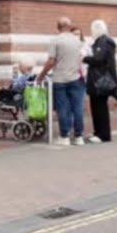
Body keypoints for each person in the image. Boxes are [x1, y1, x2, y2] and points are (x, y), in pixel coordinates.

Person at [38, 17, 87, 145]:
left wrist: (41, 75)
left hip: (59, 79)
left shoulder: (55, 41)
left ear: (58, 27)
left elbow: (51, 61)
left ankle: (64, 137)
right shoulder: (78, 41)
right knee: (78, 108)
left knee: (63, 108)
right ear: (70, 26)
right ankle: (79, 137)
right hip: (76, 78)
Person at [83, 19, 117, 143]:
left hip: (100, 79)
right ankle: (98, 132)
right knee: (96, 106)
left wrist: (85, 58)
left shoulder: (104, 41)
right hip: (99, 78)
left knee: (100, 107)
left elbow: (99, 58)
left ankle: (103, 134)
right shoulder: (102, 41)